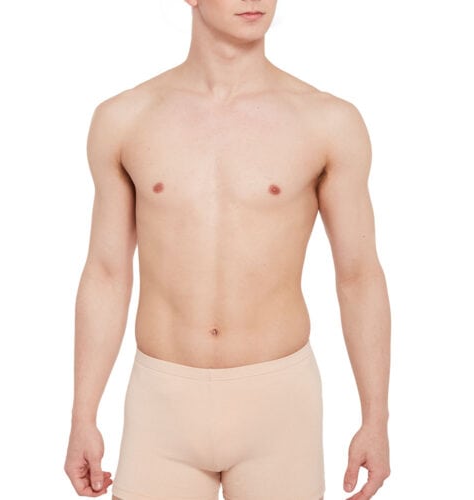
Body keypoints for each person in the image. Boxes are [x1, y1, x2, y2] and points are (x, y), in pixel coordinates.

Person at [64, 1, 391, 499]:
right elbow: (107, 273)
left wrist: (376, 418)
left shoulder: (327, 121)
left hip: (279, 405)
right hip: (162, 404)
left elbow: (359, 276)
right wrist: (82, 416)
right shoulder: (125, 119)